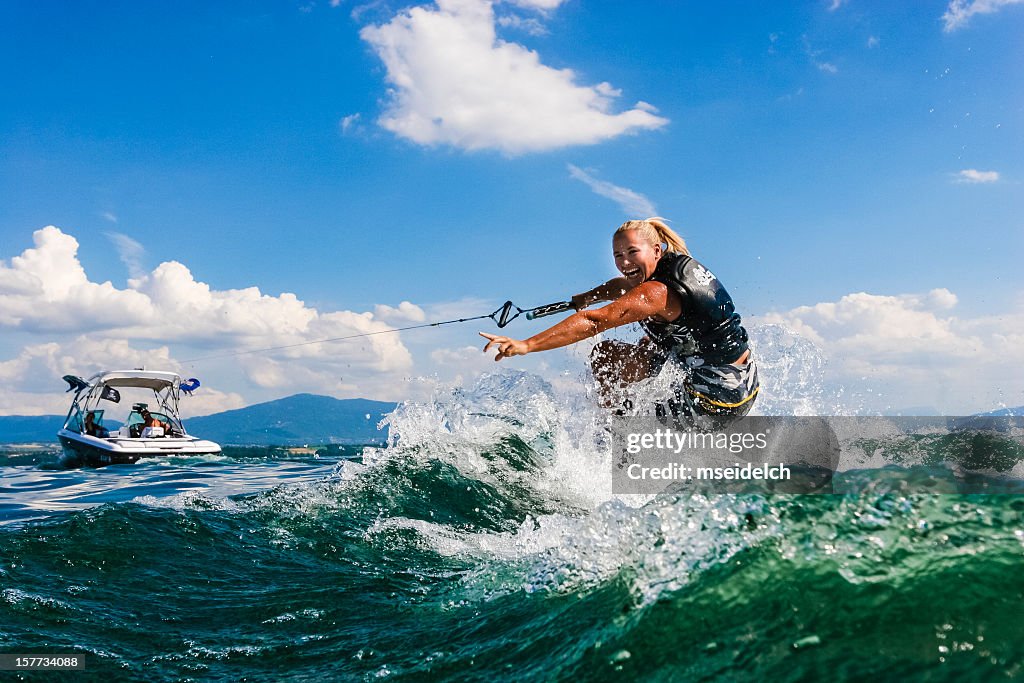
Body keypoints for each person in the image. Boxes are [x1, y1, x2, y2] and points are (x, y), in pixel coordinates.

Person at [480, 217, 759, 424]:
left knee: (613, 367)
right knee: (632, 347)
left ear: (656, 251)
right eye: (618, 255)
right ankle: (625, 420)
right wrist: (588, 296)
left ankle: (619, 436)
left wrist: (527, 344)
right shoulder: (667, 272)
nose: (624, 262)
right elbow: (623, 287)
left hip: (715, 398)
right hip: (745, 382)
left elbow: (594, 321)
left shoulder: (656, 292)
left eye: (632, 252)